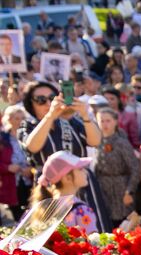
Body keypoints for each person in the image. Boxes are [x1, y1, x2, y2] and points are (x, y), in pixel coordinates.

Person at [20, 80, 104, 231]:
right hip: (51, 188)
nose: (48, 102)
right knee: (57, 234)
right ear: (30, 104)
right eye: (40, 100)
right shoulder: (28, 125)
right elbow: (32, 146)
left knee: (92, 232)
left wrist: (85, 114)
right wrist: (50, 116)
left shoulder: (71, 122)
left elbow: (95, 141)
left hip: (80, 181)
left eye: (51, 97)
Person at [92, 106, 141, 226]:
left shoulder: (121, 142)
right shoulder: (96, 142)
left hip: (121, 188)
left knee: (124, 224)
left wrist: (129, 191)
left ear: (115, 122)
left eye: (108, 121)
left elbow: (135, 168)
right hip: (103, 189)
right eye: (102, 121)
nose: (105, 124)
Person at [31, 150, 98, 232]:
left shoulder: (46, 207)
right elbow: (92, 238)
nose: (85, 172)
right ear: (67, 178)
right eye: (80, 169)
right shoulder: (82, 211)